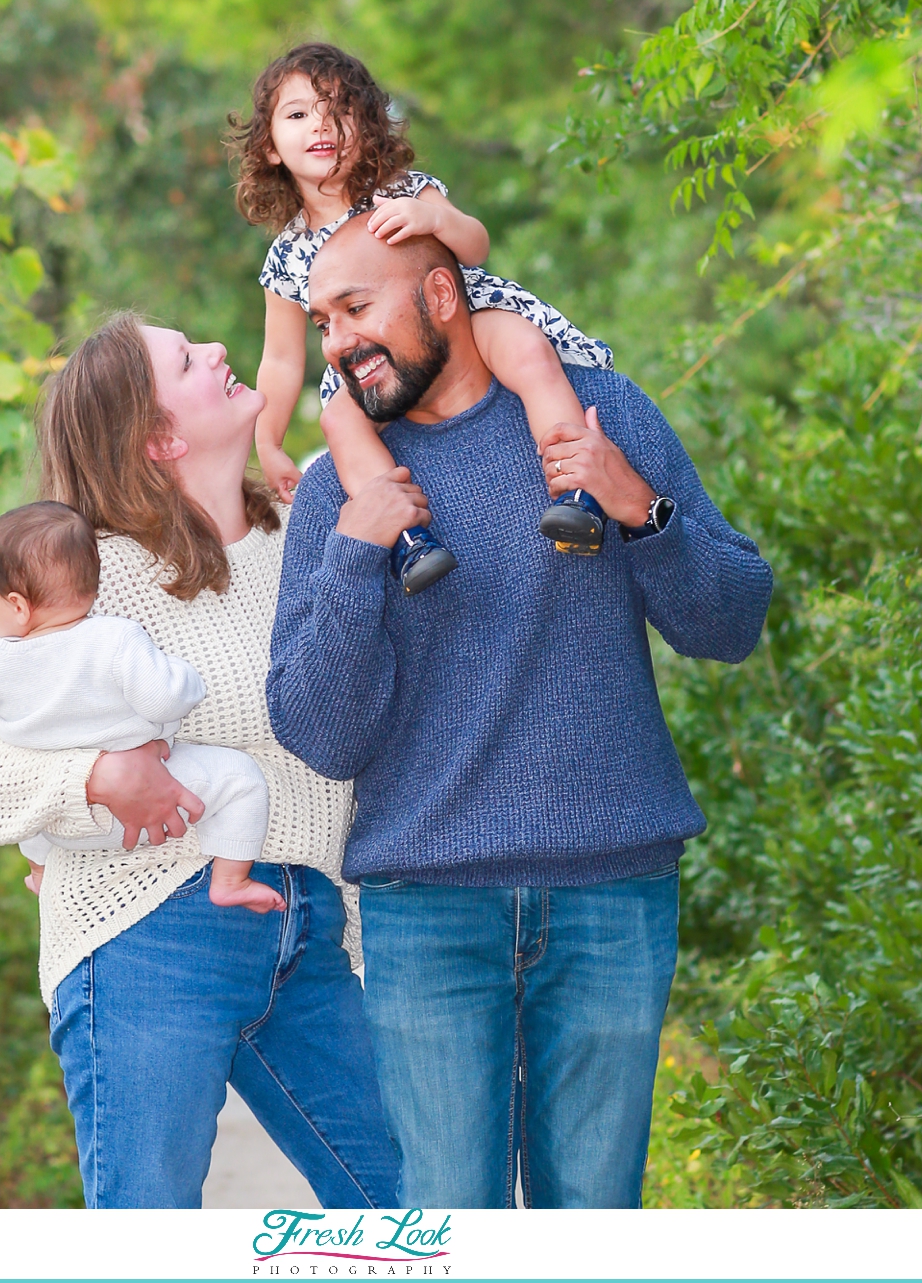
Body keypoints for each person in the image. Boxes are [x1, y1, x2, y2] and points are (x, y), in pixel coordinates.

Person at [266, 216, 774, 1209]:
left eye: (357, 308)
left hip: (611, 895)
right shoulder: (340, 488)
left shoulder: (598, 413)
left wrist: (644, 511)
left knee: (592, 1215)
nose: (336, 343)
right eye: (322, 321)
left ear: (442, 297)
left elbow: (732, 621)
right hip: (428, 909)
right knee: (453, 1222)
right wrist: (356, 555)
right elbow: (321, 734)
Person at [0, 311, 399, 1211]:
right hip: (151, 930)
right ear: (159, 436)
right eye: (187, 358)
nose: (220, 349)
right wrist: (90, 780)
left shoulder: (309, 531)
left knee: (415, 1210)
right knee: (150, 1230)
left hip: (313, 923)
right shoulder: (91, 577)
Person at [227, 41, 615, 592]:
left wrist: (431, 217)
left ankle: (578, 491)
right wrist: (268, 441)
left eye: (339, 109)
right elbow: (283, 359)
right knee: (340, 419)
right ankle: (409, 538)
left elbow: (476, 245)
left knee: (528, 352)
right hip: (371, 365)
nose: (323, 126)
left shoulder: (404, 190)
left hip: (467, 314)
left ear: (368, 126)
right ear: (269, 147)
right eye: (298, 114)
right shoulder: (288, 255)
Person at [0, 501, 284, 914]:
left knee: (25, 811)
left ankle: (41, 873)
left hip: (63, 817)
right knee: (241, 779)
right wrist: (186, 676)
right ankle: (231, 880)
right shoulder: (117, 639)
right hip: (152, 794)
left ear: (17, 605)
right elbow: (163, 699)